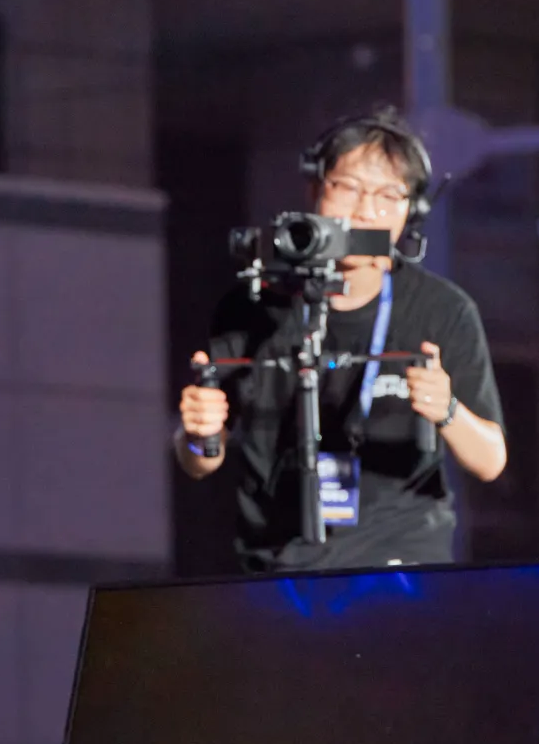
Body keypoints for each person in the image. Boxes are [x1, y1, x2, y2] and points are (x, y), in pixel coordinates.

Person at [175, 108, 508, 571]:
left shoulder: (442, 310)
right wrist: (197, 436)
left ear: (412, 211)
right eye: (348, 187)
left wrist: (447, 410)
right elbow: (199, 461)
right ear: (315, 189)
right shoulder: (250, 305)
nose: (365, 210)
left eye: (388, 195)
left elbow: (491, 461)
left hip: (399, 564)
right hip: (275, 569)